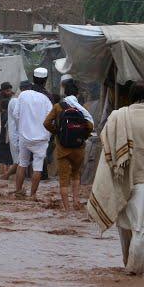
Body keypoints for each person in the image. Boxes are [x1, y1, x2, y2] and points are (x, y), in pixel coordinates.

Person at [88, 81, 144, 276]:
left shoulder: (118, 116)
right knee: (142, 229)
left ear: (130, 95)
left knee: (124, 226)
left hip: (122, 178)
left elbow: (107, 146)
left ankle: (128, 265)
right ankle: (134, 272)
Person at [43, 81, 94, 211]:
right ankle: (76, 201)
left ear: (64, 93)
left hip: (63, 148)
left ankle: (67, 209)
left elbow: (47, 123)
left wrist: (57, 132)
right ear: (77, 94)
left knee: (64, 178)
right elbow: (90, 126)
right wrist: (83, 136)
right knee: (76, 174)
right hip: (79, 147)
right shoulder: (80, 108)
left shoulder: (58, 107)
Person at [13, 68, 53, 198]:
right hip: (41, 139)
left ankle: (18, 191)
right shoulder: (47, 99)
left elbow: (16, 115)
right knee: (38, 168)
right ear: (45, 81)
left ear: (33, 79)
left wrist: (22, 128)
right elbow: (50, 120)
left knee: (22, 163)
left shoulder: (23, 95)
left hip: (24, 137)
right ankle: (33, 195)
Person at [1, 80, 31, 180]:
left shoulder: (22, 101)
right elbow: (19, 119)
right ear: (22, 90)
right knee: (19, 161)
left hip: (22, 135)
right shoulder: (15, 101)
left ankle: (14, 178)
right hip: (16, 136)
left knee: (21, 161)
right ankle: (7, 176)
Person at [0, 98, 13, 177]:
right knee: (8, 158)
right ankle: (7, 174)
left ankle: (4, 174)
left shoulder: (2, 115)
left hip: (2, 139)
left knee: (3, 159)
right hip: (9, 139)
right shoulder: (10, 114)